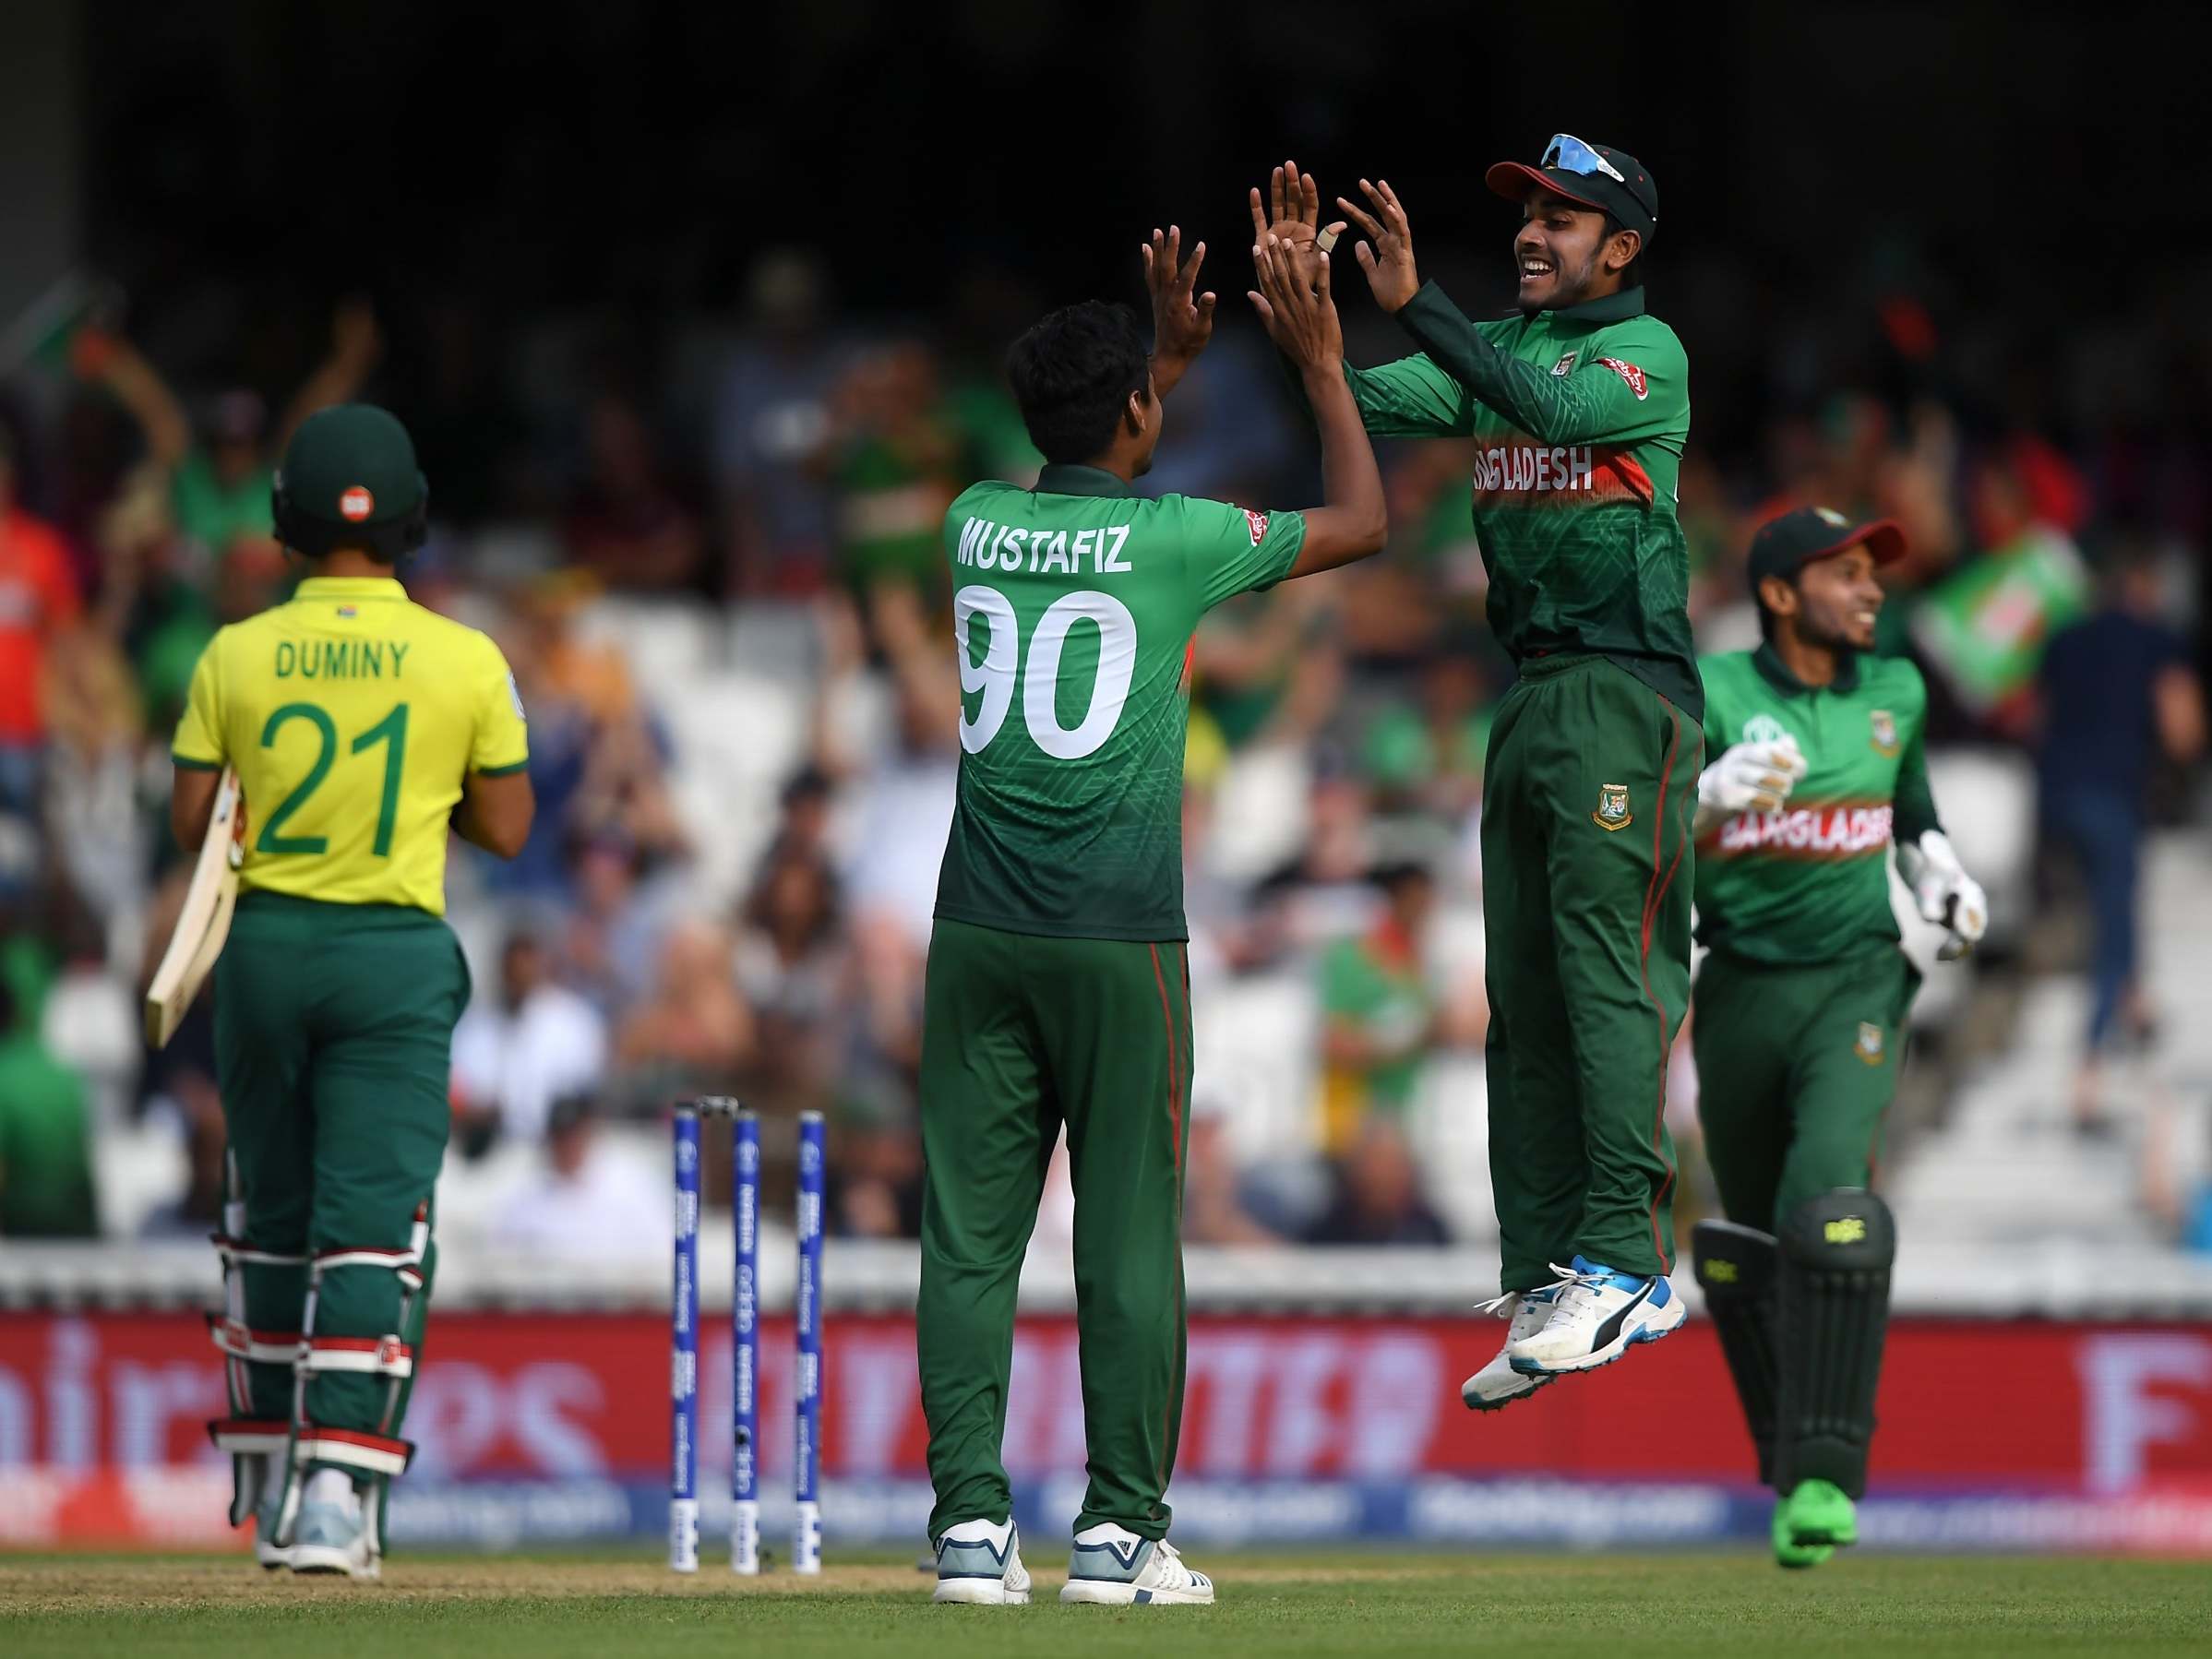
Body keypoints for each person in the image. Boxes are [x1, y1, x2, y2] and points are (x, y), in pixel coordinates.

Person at [916, 227, 1385, 1608]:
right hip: (1119, 932)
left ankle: (965, 1533)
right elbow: (1363, 523)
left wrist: (1149, 371)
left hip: (977, 930)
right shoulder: (1174, 538)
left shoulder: (968, 520)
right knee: (1124, 1235)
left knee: (970, 1238)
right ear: (1136, 415)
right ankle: (1117, 1535)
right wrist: (1319, 363)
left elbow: (1082, 484)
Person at [1254, 137, 1700, 1397]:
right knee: (1526, 988)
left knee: (1608, 973)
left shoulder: (1643, 357)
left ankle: (1629, 1262)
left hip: (1625, 691)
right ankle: (1564, 1257)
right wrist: (1308, 319)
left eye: (1563, 217)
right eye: (1527, 211)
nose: (1532, 232)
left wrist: (1414, 309)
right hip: (1535, 693)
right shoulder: (1497, 357)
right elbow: (1360, 402)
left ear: (1620, 248)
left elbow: (1554, 409)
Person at [168, 404, 533, 1579]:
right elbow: (512, 827)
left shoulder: (233, 652)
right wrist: (431, 792)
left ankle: (270, 1467)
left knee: (270, 1208)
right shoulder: (464, 657)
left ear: (285, 519)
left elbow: (190, 821)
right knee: (371, 1224)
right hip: (390, 957)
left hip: (267, 950)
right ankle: (334, 1494)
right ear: (414, 521)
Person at [1685, 507, 1986, 1569]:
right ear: (1778, 594)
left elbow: (1912, 817)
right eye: (1846, 573)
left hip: (1858, 978)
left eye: (1875, 574)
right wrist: (1705, 799)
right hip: (1738, 992)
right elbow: (1626, 834)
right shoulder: (1711, 690)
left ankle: (1825, 1476)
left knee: (1831, 1212)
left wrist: (1941, 877)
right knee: (1758, 1248)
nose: (1871, 590)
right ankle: (1790, 1467)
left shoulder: (1894, 693)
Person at [2035, 547, 2206, 1129]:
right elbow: (2181, 726)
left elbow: (2033, 711)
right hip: (2114, 794)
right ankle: (2089, 1071)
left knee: (2112, 910)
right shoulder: (2154, 639)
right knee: (2112, 927)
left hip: (2056, 798)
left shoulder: (2063, 638)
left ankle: (2135, 1005)